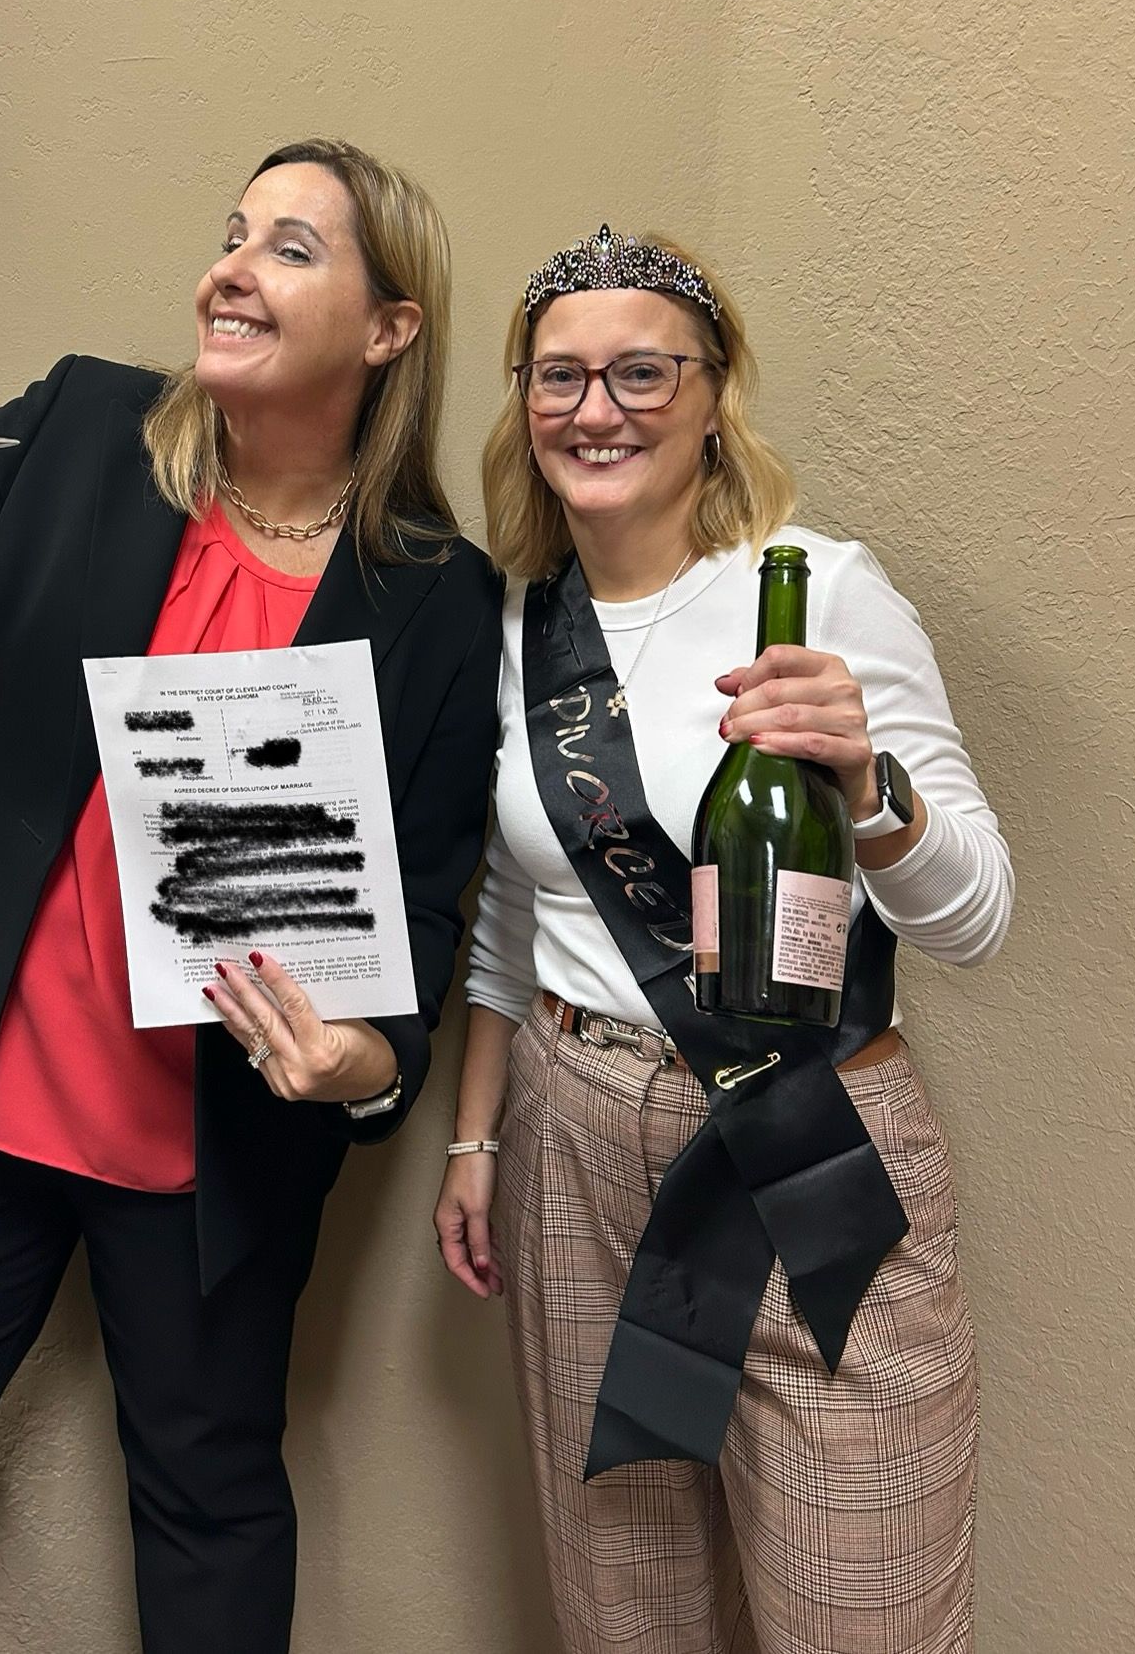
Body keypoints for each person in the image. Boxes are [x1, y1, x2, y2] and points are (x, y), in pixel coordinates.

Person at [0, 137, 501, 1654]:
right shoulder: (87, 428)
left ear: (390, 326)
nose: (233, 264)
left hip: (213, 1129)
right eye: (233, 232)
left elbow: (423, 901)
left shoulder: (437, 593)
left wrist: (373, 1069)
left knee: (210, 1490)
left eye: (293, 247)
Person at [434, 224, 1011, 1654]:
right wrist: (475, 1136)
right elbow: (515, 913)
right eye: (558, 377)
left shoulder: (817, 591)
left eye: (642, 370)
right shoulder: (515, 626)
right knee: (625, 1612)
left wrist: (871, 791)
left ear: (711, 391)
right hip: (574, 1146)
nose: (597, 408)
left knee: (857, 1613)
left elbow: (979, 918)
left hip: (809, 1140)